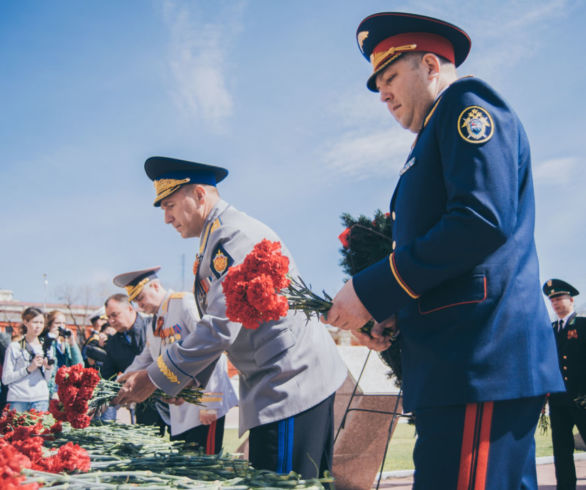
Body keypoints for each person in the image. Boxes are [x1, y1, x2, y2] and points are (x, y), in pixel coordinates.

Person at [322, 12, 565, 489]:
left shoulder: (467, 107)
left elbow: (479, 221)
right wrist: (392, 310)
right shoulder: (433, 131)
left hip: (479, 358)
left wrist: (373, 289)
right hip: (460, 364)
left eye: (390, 76)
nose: (384, 94)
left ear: (430, 64)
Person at [115, 156, 347, 478]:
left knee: (283, 482)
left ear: (198, 195)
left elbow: (221, 326)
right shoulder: (216, 237)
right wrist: (183, 382)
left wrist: (155, 378)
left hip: (289, 381)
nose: (166, 219)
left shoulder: (232, 236)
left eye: (169, 205)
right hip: (280, 379)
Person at [113, 266, 238, 453]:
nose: (139, 306)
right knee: (185, 471)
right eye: (135, 301)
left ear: (155, 286)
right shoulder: (154, 321)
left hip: (204, 407)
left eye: (140, 297)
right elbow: (145, 359)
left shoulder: (184, 303)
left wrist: (211, 402)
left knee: (203, 469)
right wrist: (118, 385)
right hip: (179, 412)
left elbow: (213, 351)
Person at [542, 279, 586, 490]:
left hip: (582, 399)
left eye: (559, 298)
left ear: (571, 299)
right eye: (552, 300)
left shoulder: (583, 325)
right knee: (562, 450)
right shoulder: (550, 330)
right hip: (558, 401)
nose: (555, 303)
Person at [103, 293, 166, 430]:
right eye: (108, 317)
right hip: (143, 404)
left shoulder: (153, 326)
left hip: (171, 398)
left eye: (115, 315)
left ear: (130, 309)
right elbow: (107, 376)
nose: (111, 321)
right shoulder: (113, 344)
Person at [2, 307, 54, 412]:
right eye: (35, 322)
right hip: (18, 399)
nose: (38, 326)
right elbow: (6, 379)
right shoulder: (15, 347)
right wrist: (29, 369)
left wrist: (48, 368)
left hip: (40, 399)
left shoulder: (46, 347)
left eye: (41, 323)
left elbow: (47, 379)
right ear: (26, 322)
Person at [42, 310, 84, 397]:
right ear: (49, 325)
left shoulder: (65, 344)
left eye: (63, 323)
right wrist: (51, 338)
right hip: (50, 387)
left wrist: (72, 343)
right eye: (57, 323)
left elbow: (79, 365)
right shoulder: (44, 342)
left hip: (65, 387)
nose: (61, 326)